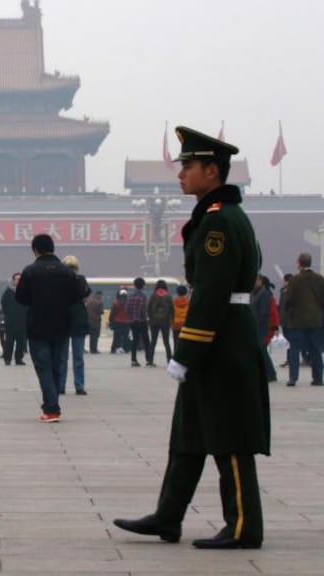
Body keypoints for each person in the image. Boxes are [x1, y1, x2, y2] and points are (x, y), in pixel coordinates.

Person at [114, 126, 269, 550]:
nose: (181, 174)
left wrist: (188, 350)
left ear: (212, 171)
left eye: (189, 166)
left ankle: (243, 527)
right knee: (190, 434)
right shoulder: (214, 215)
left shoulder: (220, 222)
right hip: (217, 340)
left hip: (224, 343)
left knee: (230, 437)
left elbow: (213, 293)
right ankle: (168, 516)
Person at [14, 234, 87, 422]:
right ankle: (51, 405)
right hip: (62, 326)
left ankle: (52, 408)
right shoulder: (67, 272)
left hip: (38, 327)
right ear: (53, 248)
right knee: (57, 367)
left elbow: (21, 298)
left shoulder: (30, 271)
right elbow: (77, 295)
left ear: (35, 250)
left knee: (43, 367)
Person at [280, 252, 324, 386]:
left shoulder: (294, 280)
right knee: (316, 350)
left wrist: (286, 311)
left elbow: (288, 300)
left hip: (298, 321)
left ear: (299, 263)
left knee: (295, 349)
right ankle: (318, 378)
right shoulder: (320, 279)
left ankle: (293, 378)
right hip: (315, 320)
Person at [59, 255, 91, 395]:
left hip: (76, 322)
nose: (70, 270)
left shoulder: (80, 280)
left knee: (77, 357)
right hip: (65, 321)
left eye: (72, 267)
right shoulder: (59, 281)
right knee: (62, 358)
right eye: (68, 267)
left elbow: (85, 292)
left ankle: (79, 385)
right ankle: (61, 385)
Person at [251, 275, 278, 383]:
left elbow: (264, 312)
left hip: (262, 328)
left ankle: (270, 374)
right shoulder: (256, 293)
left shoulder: (264, 294)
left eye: (255, 280)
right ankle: (269, 373)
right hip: (259, 327)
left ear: (261, 281)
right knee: (262, 352)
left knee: (262, 352)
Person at [0, 273, 28, 365]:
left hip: (22, 321)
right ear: (13, 280)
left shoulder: (25, 291)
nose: (18, 281)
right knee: (9, 342)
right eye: (17, 279)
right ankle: (7, 359)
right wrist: (8, 315)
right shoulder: (8, 292)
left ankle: (18, 359)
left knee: (21, 342)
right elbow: (3, 304)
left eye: (20, 279)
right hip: (11, 321)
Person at [127, 277, 154, 367]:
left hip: (132, 322)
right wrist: (145, 317)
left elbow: (127, 309)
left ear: (135, 285)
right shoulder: (143, 296)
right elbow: (143, 309)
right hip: (142, 321)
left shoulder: (130, 296)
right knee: (146, 341)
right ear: (143, 286)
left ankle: (133, 360)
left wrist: (131, 317)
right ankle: (148, 360)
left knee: (135, 340)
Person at [147, 279, 175, 364]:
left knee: (153, 341)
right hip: (165, 322)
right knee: (166, 342)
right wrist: (172, 320)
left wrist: (150, 317)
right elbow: (172, 310)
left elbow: (148, 308)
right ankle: (169, 360)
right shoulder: (168, 296)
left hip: (154, 321)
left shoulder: (153, 295)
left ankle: (150, 360)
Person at [109, 289, 132, 353]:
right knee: (126, 336)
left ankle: (114, 348)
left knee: (116, 336)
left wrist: (111, 321)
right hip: (126, 322)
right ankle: (126, 349)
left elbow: (112, 313)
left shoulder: (116, 303)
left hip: (117, 321)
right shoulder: (128, 303)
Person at [171, 285, 190, 350]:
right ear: (185, 292)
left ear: (177, 292)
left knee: (176, 341)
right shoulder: (188, 302)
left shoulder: (174, 301)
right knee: (184, 342)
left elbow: (171, 312)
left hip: (175, 324)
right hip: (185, 324)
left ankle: (175, 356)